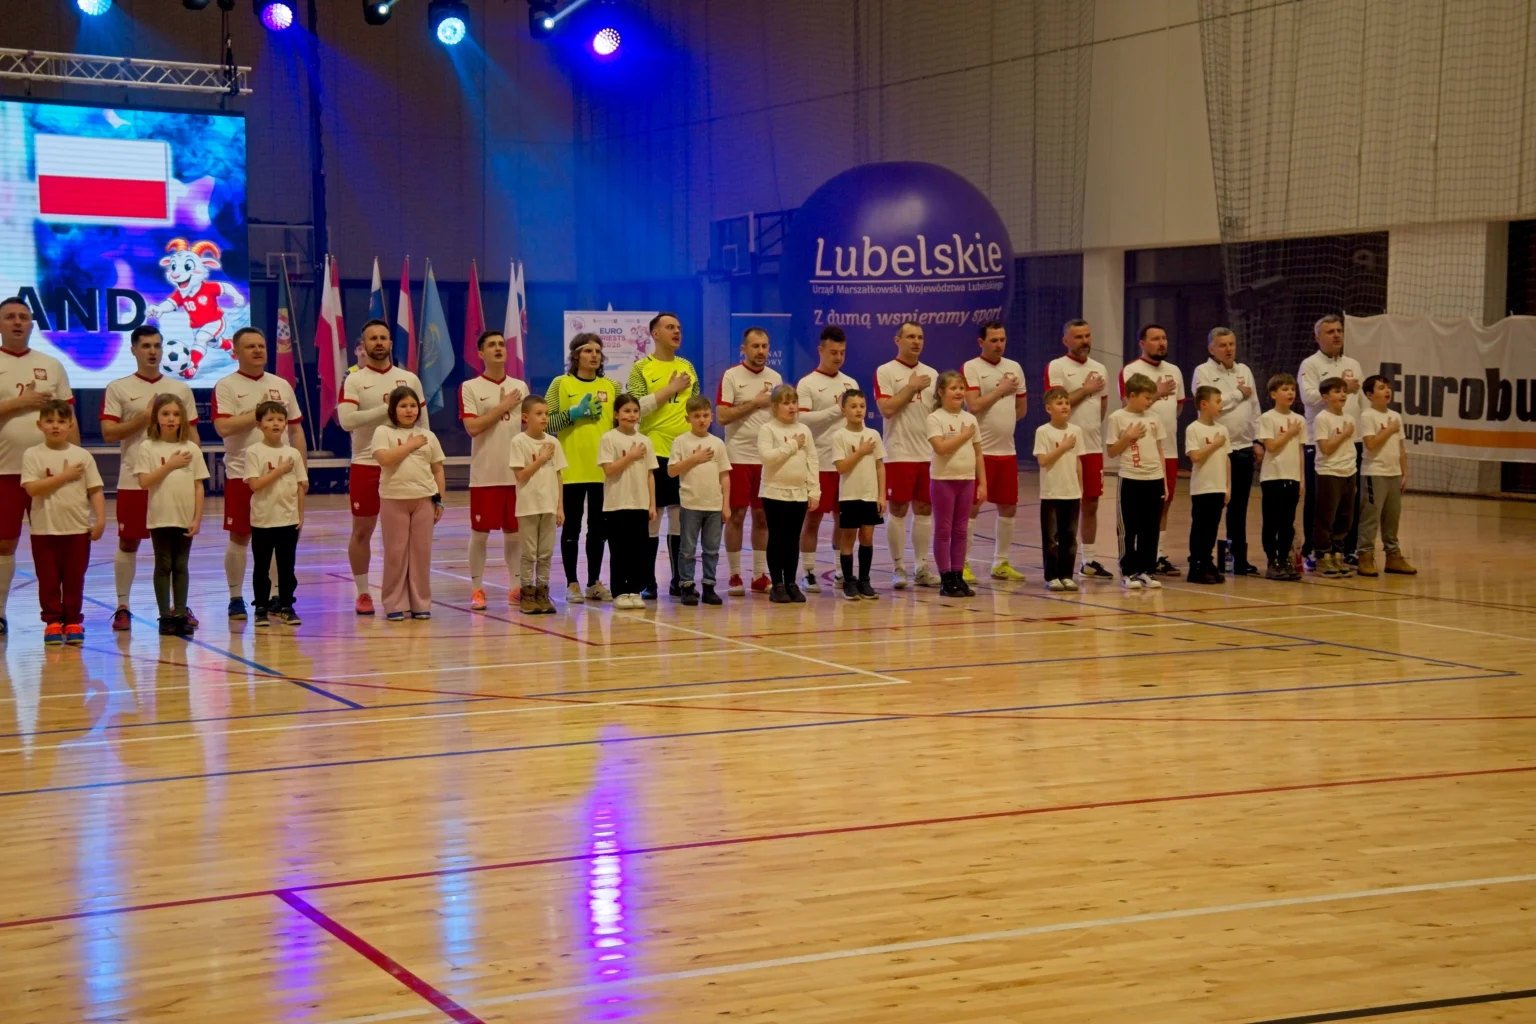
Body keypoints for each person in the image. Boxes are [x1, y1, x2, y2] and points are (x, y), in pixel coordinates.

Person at [101, 325, 198, 631]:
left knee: (175, 550)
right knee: (128, 542)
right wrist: (143, 418)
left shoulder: (180, 389)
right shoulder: (118, 387)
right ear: (133, 350)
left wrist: (195, 470)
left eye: (157, 345)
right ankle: (123, 606)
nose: (153, 351)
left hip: (174, 483)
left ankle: (178, 607)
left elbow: (192, 435)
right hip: (135, 480)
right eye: (146, 346)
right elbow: (108, 433)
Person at [212, 327, 304, 620]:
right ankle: (235, 597)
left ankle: (276, 596)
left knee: (280, 536)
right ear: (235, 352)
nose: (257, 351)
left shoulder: (281, 384)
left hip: (283, 475)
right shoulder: (226, 385)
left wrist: (301, 473)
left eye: (261, 346)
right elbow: (223, 427)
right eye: (250, 346)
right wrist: (258, 413)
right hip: (242, 474)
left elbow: (296, 430)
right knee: (240, 536)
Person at [338, 319, 427, 616]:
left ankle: (407, 594)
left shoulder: (409, 379)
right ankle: (363, 593)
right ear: (363, 345)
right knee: (362, 531)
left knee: (405, 537)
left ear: (390, 343)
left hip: (406, 464)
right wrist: (385, 410)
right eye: (372, 338)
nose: (378, 342)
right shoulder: (354, 380)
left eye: (383, 338)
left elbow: (423, 425)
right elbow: (346, 420)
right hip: (366, 463)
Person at [0, 296, 75, 636]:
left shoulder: (51, 365)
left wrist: (76, 460)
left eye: (23, 316)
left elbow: (69, 418)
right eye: (10, 317)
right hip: (5, 471)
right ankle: (0, 613)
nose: (17, 322)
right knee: (4, 544)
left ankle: (60, 617)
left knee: (54, 544)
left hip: (51, 474)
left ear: (32, 323)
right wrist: (19, 403)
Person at [628, 312, 699, 599]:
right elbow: (634, 408)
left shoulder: (688, 366)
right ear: (655, 333)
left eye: (679, 327)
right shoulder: (641, 368)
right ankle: (648, 581)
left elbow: (697, 407)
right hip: (654, 452)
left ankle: (679, 580)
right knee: (652, 518)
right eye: (670, 327)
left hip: (683, 454)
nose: (677, 331)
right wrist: (669, 389)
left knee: (680, 519)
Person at [21, 400, 103, 645]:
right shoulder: (32, 455)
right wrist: (64, 476)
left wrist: (100, 520)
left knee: (74, 579)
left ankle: (73, 620)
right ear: (40, 425)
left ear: (71, 425)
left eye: (61, 421)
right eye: (50, 421)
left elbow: (95, 489)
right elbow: (33, 488)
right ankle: (53, 622)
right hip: (44, 531)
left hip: (77, 529)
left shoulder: (82, 456)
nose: (55, 426)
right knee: (48, 580)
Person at [546, 332, 617, 604]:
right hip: (571, 469)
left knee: (599, 530)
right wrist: (573, 414)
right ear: (576, 355)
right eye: (588, 350)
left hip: (602, 470)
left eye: (597, 351)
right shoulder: (561, 383)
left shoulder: (611, 386)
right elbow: (547, 423)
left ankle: (593, 582)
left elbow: (619, 425)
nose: (594, 355)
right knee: (572, 528)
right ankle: (571, 583)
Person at [460, 329, 527, 609]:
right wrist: (502, 406)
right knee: (480, 534)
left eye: (501, 344)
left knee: (514, 534)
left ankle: (516, 587)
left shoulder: (520, 387)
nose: (499, 348)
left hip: (516, 475)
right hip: (485, 475)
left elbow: (530, 428)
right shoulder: (470, 387)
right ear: (480, 353)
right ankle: (477, 588)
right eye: (491, 345)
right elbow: (473, 428)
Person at [134, 394, 208, 636]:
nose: (171, 419)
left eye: (176, 414)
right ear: (156, 417)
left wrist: (197, 518)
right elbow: (144, 481)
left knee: (181, 565)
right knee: (164, 564)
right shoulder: (148, 447)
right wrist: (170, 464)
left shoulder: (191, 449)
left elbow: (198, 486)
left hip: (184, 518)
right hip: (160, 517)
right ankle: (165, 616)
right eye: (165, 414)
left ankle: (180, 614)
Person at [1045, 319, 1112, 579]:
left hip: (1092, 446)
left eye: (1087, 336)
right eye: (1078, 337)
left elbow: (1102, 407)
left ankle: (1089, 560)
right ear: (1066, 340)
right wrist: (1086, 389)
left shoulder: (1100, 369)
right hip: (1065, 448)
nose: (1084, 341)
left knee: (1091, 502)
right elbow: (1057, 402)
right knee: (1062, 505)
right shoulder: (1057, 366)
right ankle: (1059, 561)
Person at [875, 321, 940, 589]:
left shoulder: (932, 374)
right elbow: (887, 409)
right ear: (897, 340)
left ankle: (922, 567)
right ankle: (898, 567)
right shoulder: (886, 371)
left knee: (924, 508)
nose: (916, 342)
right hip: (899, 452)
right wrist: (911, 387)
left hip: (927, 454)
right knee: (899, 508)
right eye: (910, 337)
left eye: (920, 337)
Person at [371, 387, 445, 622]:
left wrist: (439, 500)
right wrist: (411, 445)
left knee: (421, 554)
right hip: (394, 499)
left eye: (413, 405)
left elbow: (437, 469)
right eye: (403, 406)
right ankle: (394, 603)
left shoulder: (428, 436)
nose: (409, 410)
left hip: (424, 499)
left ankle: (420, 603)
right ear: (393, 410)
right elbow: (385, 459)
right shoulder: (383, 432)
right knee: (396, 553)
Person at [963, 320, 1028, 582]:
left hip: (1007, 452)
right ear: (981, 342)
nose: (999, 344)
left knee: (1008, 507)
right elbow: (974, 406)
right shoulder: (971, 367)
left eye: (1002, 339)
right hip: (980, 452)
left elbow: (1021, 409)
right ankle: (962, 563)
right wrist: (1000, 391)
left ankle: (1001, 562)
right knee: (972, 507)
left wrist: (1004, 421)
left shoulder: (1015, 368)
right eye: (994, 340)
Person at [716, 326, 780, 594]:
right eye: (755, 346)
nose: (761, 351)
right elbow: (722, 416)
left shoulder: (775, 377)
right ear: (743, 349)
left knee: (762, 517)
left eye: (764, 346)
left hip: (766, 458)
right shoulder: (731, 376)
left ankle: (759, 575)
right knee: (737, 516)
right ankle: (734, 575)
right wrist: (754, 403)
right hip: (738, 457)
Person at [1192, 327, 1260, 574]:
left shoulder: (1245, 371)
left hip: (1243, 448)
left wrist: (1257, 440)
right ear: (1211, 349)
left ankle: (1237, 559)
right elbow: (1213, 406)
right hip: (1216, 450)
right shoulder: (1203, 372)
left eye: (1231, 344)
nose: (1229, 349)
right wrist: (1238, 393)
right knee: (1210, 507)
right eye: (1222, 345)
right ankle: (1202, 558)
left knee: (1239, 508)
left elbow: (1254, 406)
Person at [796, 326, 859, 593]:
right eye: (833, 352)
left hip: (846, 464)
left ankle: (840, 570)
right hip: (819, 463)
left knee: (843, 520)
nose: (838, 357)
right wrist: (836, 409)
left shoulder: (851, 383)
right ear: (820, 350)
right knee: (812, 520)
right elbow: (802, 420)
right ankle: (808, 572)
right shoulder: (807, 383)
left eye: (842, 352)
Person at [1298, 314, 1364, 568]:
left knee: (1349, 501)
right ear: (1317, 337)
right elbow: (1308, 397)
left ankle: (1346, 549)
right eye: (1330, 332)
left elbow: (1360, 402)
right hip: (1320, 442)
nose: (1336, 335)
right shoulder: (1310, 364)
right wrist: (1342, 386)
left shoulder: (1353, 364)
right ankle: (1313, 551)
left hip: (1351, 440)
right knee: (1320, 500)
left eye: (1339, 330)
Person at [1119, 324, 1185, 575]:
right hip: (1141, 450)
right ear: (1142, 343)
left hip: (1168, 449)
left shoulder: (1174, 371)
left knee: (1164, 503)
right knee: (1138, 509)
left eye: (1164, 338)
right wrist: (1157, 393)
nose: (1162, 342)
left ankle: (1158, 556)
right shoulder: (1131, 370)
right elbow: (1128, 405)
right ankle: (1134, 557)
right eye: (1155, 339)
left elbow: (1178, 408)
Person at [244, 401, 307, 626]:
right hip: (263, 520)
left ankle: (287, 605)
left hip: (288, 519)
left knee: (286, 567)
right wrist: (279, 471)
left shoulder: (293, 453)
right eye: (270, 419)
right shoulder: (254, 452)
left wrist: (300, 515)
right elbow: (255, 484)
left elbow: (300, 486)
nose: (275, 424)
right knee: (261, 566)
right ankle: (261, 607)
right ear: (259, 425)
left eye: (280, 419)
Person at [926, 372, 985, 598]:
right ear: (941, 392)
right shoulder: (935, 418)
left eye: (961, 388)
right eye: (953, 388)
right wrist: (964, 436)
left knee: (961, 530)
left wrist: (982, 483)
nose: (959, 392)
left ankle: (958, 576)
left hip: (966, 480)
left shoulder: (970, 419)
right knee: (944, 530)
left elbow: (978, 453)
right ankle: (946, 578)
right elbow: (941, 448)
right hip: (943, 481)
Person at [757, 385, 818, 603]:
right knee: (777, 538)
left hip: (799, 493)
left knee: (793, 539)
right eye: (786, 403)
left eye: (794, 402)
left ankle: (791, 582)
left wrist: (814, 490)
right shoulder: (768, 429)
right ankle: (777, 584)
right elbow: (767, 457)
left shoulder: (804, 430)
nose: (792, 407)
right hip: (774, 493)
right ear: (775, 406)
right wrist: (792, 445)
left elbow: (812, 460)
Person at [1105, 374, 1167, 590]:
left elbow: (1160, 450)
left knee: (1151, 528)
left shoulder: (1154, 418)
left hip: (1154, 479)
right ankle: (1128, 571)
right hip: (1131, 478)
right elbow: (1112, 451)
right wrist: (1128, 436)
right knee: (1128, 528)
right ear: (1132, 395)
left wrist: (1164, 481)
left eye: (1151, 398)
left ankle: (1146, 570)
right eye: (1146, 398)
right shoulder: (1117, 418)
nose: (1150, 402)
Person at [669, 395, 731, 606]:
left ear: (712, 417)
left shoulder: (717, 443)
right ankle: (686, 586)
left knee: (711, 549)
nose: (702, 420)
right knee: (687, 549)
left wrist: (726, 505)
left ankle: (709, 587)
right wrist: (694, 459)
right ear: (688, 418)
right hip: (690, 504)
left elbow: (725, 475)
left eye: (705, 415)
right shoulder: (681, 442)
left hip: (714, 505)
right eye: (696, 416)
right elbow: (672, 471)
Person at [508, 395, 567, 614]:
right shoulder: (519, 442)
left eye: (547, 414)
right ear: (526, 417)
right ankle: (527, 594)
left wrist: (560, 507)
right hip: (528, 506)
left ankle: (542, 593)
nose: (544, 418)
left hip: (549, 506)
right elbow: (520, 475)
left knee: (546, 553)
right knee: (529, 553)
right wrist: (541, 459)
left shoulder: (554, 442)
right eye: (539, 414)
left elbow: (559, 476)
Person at [598, 393, 657, 609]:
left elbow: (650, 474)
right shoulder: (609, 438)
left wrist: (652, 504)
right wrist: (630, 456)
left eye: (635, 411)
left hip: (639, 504)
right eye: (626, 411)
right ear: (616, 414)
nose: (632, 415)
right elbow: (609, 470)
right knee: (619, 550)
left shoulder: (646, 441)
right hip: (616, 504)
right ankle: (620, 592)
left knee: (638, 550)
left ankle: (634, 590)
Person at [1357, 375, 1416, 577]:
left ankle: (1393, 557)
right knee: (1371, 516)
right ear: (1370, 394)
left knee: (1392, 517)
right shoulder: (1367, 416)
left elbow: (1401, 447)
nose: (1387, 391)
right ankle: (1365, 556)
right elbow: (1371, 444)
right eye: (1381, 387)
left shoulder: (1396, 416)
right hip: (1375, 472)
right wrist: (1389, 430)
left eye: (1388, 387)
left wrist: (1405, 472)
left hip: (1394, 473)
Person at [831, 389, 885, 601]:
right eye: (853, 406)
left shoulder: (874, 435)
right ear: (844, 410)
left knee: (867, 537)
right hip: (849, 496)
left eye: (862, 406)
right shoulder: (840, 436)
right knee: (848, 538)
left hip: (870, 495)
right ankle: (848, 581)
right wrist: (861, 451)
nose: (858, 410)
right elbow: (841, 467)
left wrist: (882, 496)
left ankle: (864, 580)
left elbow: (880, 466)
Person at [1033, 387, 1085, 592]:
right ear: (1048, 408)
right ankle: (1052, 576)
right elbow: (1043, 460)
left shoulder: (1076, 431)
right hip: (1051, 493)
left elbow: (1078, 462)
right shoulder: (1043, 431)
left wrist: (1080, 488)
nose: (1064, 406)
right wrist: (1062, 447)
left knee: (1069, 537)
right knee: (1051, 538)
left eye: (1067, 403)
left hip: (1071, 492)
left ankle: (1067, 575)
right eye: (1059, 403)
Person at [1257, 374, 1307, 581]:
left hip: (1292, 477)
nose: (1290, 393)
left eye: (1292, 389)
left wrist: (1302, 478)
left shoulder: (1300, 420)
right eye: (1285, 389)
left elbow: (1300, 451)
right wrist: (1289, 432)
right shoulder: (1268, 418)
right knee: (1272, 521)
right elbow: (1271, 446)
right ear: (1273, 394)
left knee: (1288, 522)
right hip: (1272, 477)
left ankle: (1284, 559)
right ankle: (1272, 560)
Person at [1184, 386, 1232, 584]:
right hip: (1202, 487)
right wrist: (1214, 444)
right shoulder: (1193, 428)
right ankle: (1196, 565)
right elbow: (1195, 456)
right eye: (1217, 401)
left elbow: (1226, 459)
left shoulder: (1222, 430)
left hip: (1218, 486)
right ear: (1204, 404)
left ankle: (1206, 561)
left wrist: (1228, 486)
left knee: (1212, 528)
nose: (1221, 405)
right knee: (1200, 528)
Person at [1312, 377, 1358, 578]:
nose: (1342, 395)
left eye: (1344, 391)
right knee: (1326, 517)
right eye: (1337, 391)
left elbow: (1349, 447)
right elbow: (1326, 448)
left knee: (1345, 517)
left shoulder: (1350, 418)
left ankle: (1337, 554)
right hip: (1329, 472)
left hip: (1349, 471)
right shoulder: (1322, 418)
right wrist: (1344, 434)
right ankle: (1322, 556)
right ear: (1325, 397)